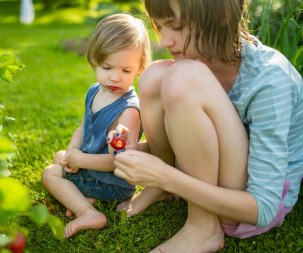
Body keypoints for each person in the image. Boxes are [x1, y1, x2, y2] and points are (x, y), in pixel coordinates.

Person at [111, 0, 303, 252]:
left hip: (249, 205)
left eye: (176, 27)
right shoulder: (200, 61)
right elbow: (202, 136)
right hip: (215, 174)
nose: (164, 41)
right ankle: (158, 187)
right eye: (160, 26)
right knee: (154, 75)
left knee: (182, 76)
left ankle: (202, 229)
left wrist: (166, 176)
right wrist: (139, 151)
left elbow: (263, 207)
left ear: (222, 17)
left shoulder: (269, 81)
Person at [42, 13, 151, 239]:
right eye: (107, 67)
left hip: (112, 181)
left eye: (126, 71)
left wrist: (80, 160)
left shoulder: (128, 111)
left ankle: (87, 212)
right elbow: (84, 127)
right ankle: (85, 197)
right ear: (95, 60)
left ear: (139, 68)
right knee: (60, 156)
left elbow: (118, 161)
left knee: (50, 173)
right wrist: (72, 151)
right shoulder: (95, 90)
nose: (115, 77)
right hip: (93, 166)